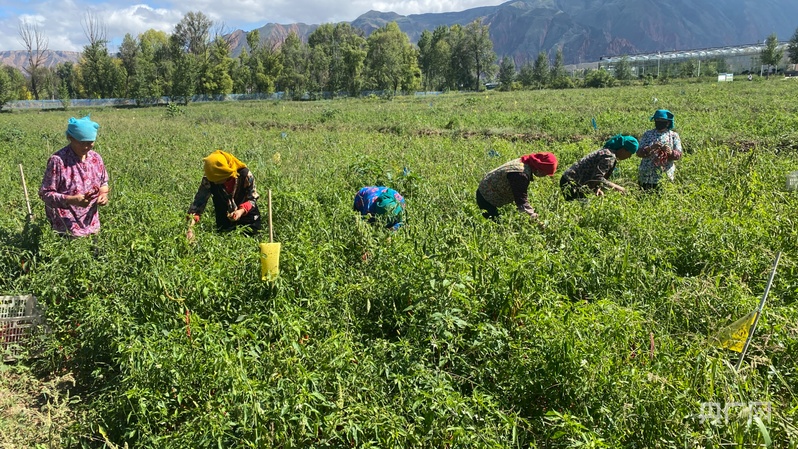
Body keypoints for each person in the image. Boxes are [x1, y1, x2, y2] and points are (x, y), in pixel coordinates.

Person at [39, 115, 109, 238]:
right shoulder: (58, 161)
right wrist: (71, 200)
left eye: (90, 143)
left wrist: (103, 195)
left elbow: (103, 183)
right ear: (70, 138)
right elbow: (45, 194)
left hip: (91, 223)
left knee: (95, 255)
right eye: (82, 143)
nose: (86, 147)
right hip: (66, 226)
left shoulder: (96, 158)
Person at [186, 150, 261, 241]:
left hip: (248, 219)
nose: (215, 182)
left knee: (250, 245)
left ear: (225, 174)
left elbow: (252, 198)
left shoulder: (244, 175)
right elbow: (198, 204)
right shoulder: (210, 177)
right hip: (224, 218)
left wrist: (240, 211)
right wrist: (190, 229)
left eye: (218, 180)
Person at [476, 152, 558, 220]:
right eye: (545, 173)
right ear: (539, 168)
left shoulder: (526, 162)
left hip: (487, 189)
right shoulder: (520, 175)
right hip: (486, 197)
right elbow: (522, 202)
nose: (545, 175)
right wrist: (535, 219)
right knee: (497, 226)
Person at [560, 134, 638, 201]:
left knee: (584, 205)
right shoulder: (609, 156)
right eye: (630, 154)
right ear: (623, 150)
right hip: (571, 182)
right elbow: (598, 177)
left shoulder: (608, 153)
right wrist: (618, 188)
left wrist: (597, 188)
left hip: (572, 181)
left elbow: (595, 174)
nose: (629, 157)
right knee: (580, 206)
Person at [636, 109, 683, 191]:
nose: (659, 122)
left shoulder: (673, 136)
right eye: (657, 120)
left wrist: (670, 152)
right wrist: (650, 148)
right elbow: (639, 153)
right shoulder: (647, 134)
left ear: (668, 122)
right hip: (647, 174)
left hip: (665, 174)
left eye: (662, 121)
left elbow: (678, 155)